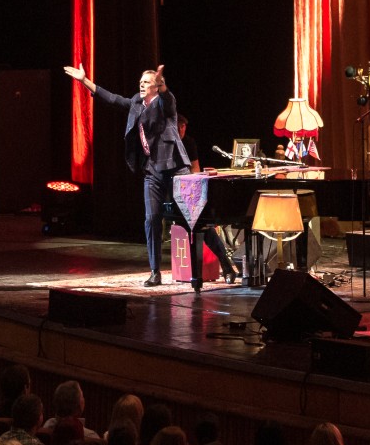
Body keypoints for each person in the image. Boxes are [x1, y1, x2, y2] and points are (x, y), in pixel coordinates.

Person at [62, 62, 239, 286]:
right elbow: (114, 99)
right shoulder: (137, 102)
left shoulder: (165, 104)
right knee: (151, 219)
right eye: (141, 82)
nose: (142, 85)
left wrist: (162, 83)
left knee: (193, 221)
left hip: (175, 168)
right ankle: (155, 272)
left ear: (156, 86)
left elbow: (168, 100)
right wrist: (85, 81)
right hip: (152, 170)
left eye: (146, 82)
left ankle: (226, 265)